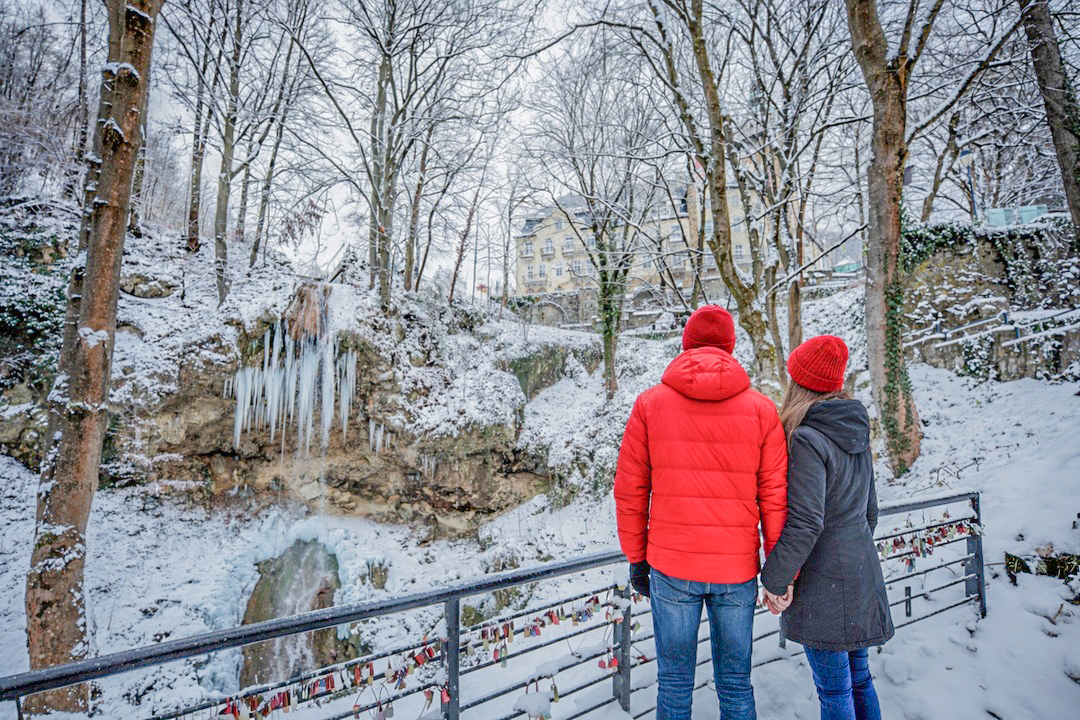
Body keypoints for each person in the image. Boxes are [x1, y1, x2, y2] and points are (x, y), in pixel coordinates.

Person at [614, 305, 788, 720]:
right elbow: (775, 497)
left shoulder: (649, 405)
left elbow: (631, 491)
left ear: (686, 345)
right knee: (736, 683)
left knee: (674, 684)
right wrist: (779, 569)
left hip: (672, 566)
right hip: (736, 568)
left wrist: (637, 558)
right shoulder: (762, 410)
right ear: (730, 347)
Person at [759, 335, 894, 720]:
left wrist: (775, 578)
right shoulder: (855, 429)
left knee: (834, 690)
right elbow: (870, 513)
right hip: (861, 570)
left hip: (825, 583)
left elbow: (807, 520)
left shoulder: (806, 437)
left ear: (799, 382)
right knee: (860, 679)